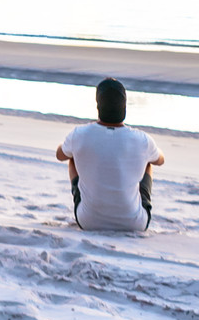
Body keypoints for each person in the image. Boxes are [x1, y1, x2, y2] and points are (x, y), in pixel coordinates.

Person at [57, 79, 164, 233]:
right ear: (124, 107)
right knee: (148, 162)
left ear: (98, 106)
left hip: (88, 221)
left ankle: (91, 206)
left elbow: (60, 155)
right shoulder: (142, 139)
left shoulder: (79, 134)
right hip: (134, 224)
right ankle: (132, 206)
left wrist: (71, 144)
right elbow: (160, 160)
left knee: (72, 157)